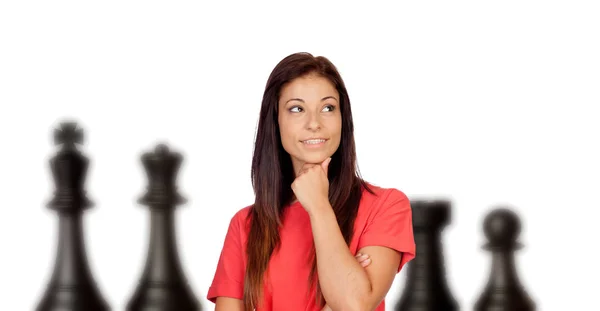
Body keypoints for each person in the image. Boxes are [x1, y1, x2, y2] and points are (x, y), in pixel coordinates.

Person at [206, 52, 416, 311]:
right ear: (276, 121)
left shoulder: (385, 206)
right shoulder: (246, 225)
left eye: (328, 108)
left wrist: (319, 207)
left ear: (343, 118)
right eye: (297, 109)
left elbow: (354, 305)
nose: (314, 123)